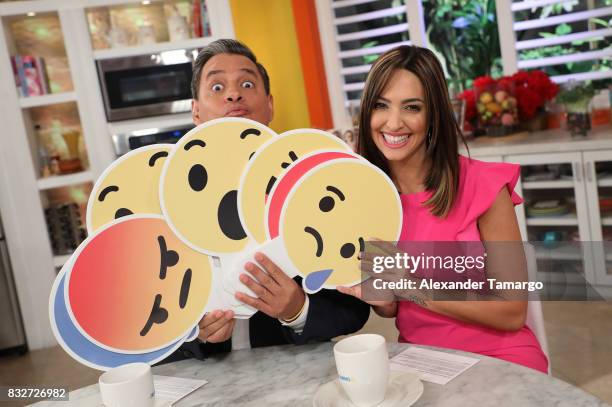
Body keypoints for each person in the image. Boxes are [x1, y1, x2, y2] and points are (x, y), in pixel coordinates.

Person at [338, 45, 548, 373]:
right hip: (422, 361)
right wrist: (381, 296)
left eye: (411, 107)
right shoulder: (367, 200)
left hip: (502, 356)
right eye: (381, 105)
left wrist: (415, 287)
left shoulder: (483, 186)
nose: (393, 123)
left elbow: (511, 312)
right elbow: (392, 308)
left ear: (433, 115)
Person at [165, 39, 369, 361]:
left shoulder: (315, 182)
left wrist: (297, 309)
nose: (234, 94)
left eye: (247, 83)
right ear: (196, 111)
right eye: (217, 87)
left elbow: (356, 306)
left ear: (270, 105)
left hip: (299, 375)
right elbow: (141, 325)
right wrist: (194, 333)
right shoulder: (168, 198)